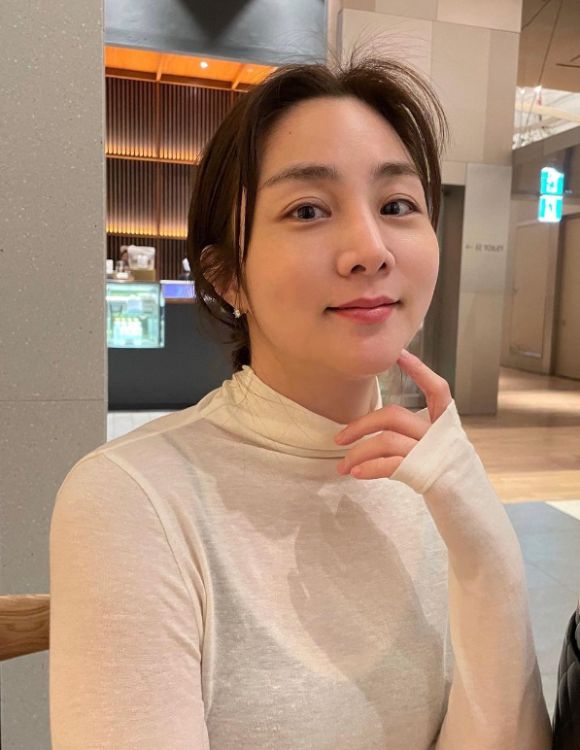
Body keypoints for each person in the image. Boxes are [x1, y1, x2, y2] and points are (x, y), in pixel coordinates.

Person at [49, 52, 552, 749]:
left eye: (397, 205)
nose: (370, 249)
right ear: (228, 278)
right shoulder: (133, 501)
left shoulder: (438, 479)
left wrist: (488, 549)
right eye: (308, 210)